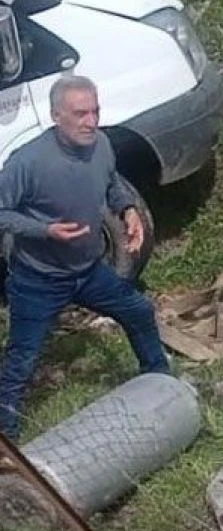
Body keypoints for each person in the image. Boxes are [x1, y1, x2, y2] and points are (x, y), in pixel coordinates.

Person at [0, 75, 169, 440]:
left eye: (95, 111)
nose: (90, 122)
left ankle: (160, 379)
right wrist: (45, 231)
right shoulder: (27, 162)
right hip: (38, 280)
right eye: (80, 114)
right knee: (22, 361)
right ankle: (7, 438)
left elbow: (111, 182)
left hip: (89, 270)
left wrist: (128, 210)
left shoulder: (101, 143)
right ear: (56, 115)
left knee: (139, 311)